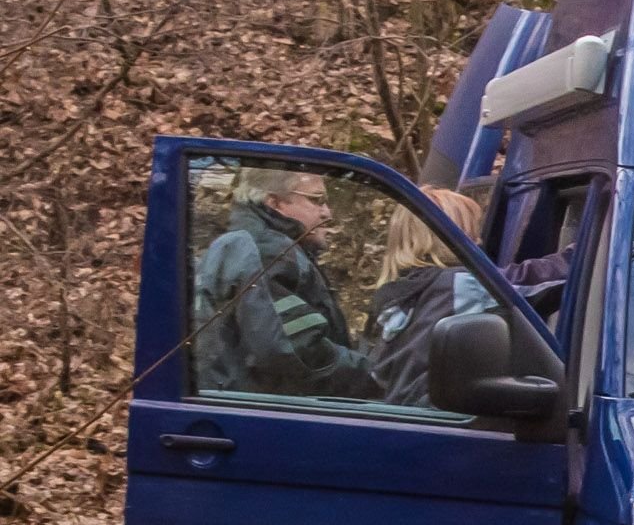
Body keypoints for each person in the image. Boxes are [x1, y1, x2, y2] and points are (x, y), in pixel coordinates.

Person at [193, 166, 381, 400]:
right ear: (275, 202)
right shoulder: (267, 252)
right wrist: (372, 375)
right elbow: (294, 352)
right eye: (317, 200)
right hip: (257, 412)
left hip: (238, 403)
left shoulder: (248, 244)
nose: (327, 212)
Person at [365, 188, 491, 409]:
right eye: (470, 232)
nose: (479, 241)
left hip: (396, 414)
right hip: (429, 417)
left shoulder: (399, 291)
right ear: (445, 237)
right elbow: (519, 295)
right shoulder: (457, 283)